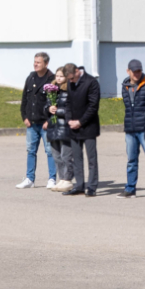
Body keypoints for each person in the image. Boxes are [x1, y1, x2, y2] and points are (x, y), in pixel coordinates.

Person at [59, 63, 101, 196]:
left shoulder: (91, 82)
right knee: (76, 158)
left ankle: (92, 186)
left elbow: (93, 106)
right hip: (74, 127)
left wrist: (80, 122)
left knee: (91, 159)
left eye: (72, 78)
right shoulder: (71, 83)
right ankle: (79, 185)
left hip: (88, 127)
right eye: (69, 80)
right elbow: (68, 103)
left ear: (77, 71)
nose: (71, 81)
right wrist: (69, 120)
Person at [120, 59, 145, 199]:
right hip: (130, 129)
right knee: (131, 161)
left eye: (139, 71)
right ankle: (130, 189)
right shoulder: (125, 85)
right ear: (128, 71)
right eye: (134, 71)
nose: (137, 74)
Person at [17, 52, 57, 189]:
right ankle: (30, 179)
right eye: (34, 61)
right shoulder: (31, 77)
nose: (35, 64)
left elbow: (55, 103)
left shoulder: (52, 79)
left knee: (50, 151)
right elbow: (25, 99)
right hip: (31, 123)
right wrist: (25, 117)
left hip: (45, 124)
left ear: (46, 64)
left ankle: (52, 179)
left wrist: (49, 121)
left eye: (38, 62)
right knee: (31, 150)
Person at [43, 68, 74, 190]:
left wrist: (59, 111)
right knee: (56, 155)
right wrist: (48, 109)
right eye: (57, 76)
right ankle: (61, 179)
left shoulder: (70, 90)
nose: (58, 78)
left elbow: (72, 109)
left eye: (61, 76)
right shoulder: (52, 90)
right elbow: (46, 106)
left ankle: (68, 179)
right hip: (53, 127)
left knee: (66, 155)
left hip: (65, 127)